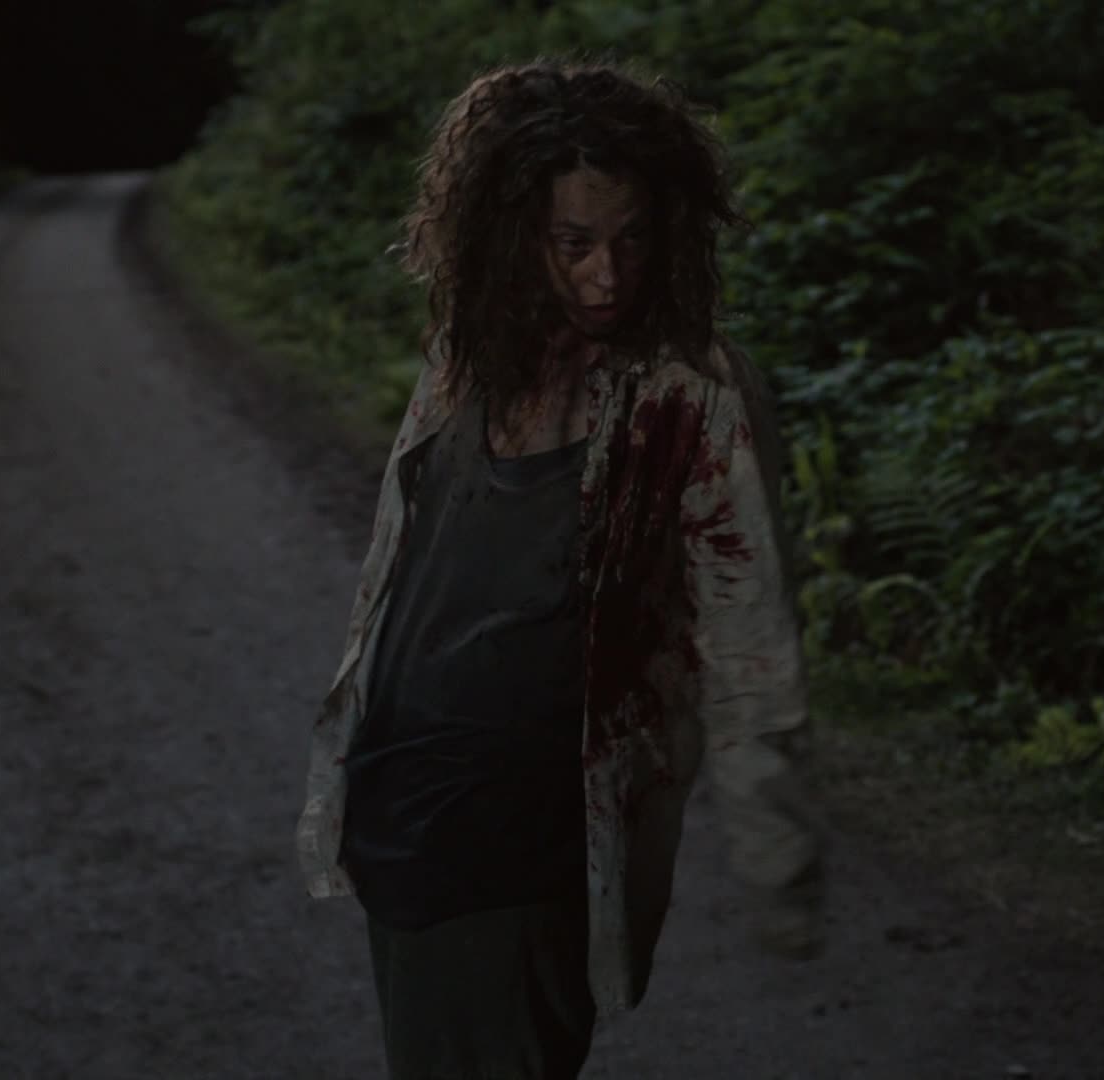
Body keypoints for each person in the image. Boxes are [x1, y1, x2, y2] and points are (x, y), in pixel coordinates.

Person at [293, 60, 825, 1079]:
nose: (606, 277)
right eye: (573, 243)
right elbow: (398, 573)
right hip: (399, 817)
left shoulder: (690, 396)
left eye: (632, 240)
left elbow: (751, 629)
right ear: (512, 235)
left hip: (521, 848)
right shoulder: (468, 356)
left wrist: (779, 848)